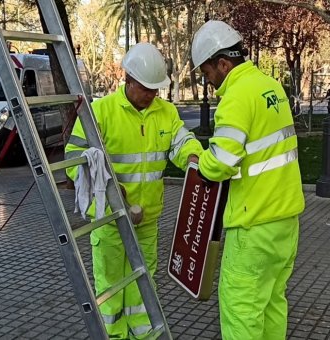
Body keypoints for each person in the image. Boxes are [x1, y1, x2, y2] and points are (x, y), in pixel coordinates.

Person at [64, 42, 203, 339]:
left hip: (147, 221)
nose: (153, 95)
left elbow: (182, 142)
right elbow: (72, 160)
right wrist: (112, 190)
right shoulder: (100, 112)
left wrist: (194, 158)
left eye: (156, 89)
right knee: (112, 288)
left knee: (143, 286)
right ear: (128, 80)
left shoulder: (166, 112)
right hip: (109, 220)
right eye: (147, 88)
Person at [191, 20, 306, 340]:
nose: (208, 81)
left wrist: (200, 163)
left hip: (253, 222)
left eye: (207, 72)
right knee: (271, 302)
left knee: (241, 307)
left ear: (223, 63)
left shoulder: (237, 97)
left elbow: (222, 162)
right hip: (285, 221)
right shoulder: (269, 86)